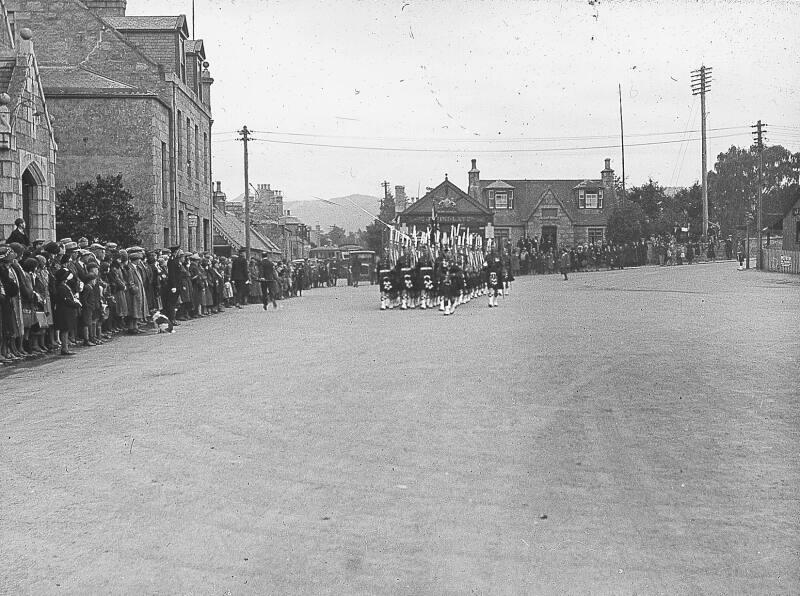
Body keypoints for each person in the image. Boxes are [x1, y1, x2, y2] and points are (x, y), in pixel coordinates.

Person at [53, 268, 80, 356]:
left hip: (67, 311)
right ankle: (64, 349)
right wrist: (75, 304)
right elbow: (65, 300)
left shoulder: (64, 285)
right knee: (64, 330)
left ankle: (66, 348)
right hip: (64, 311)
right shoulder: (61, 287)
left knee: (66, 329)